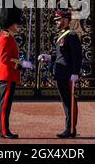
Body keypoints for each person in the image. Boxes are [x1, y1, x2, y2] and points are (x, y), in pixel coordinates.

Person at [38, 9, 83, 138]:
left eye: (58, 20)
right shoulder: (63, 35)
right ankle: (69, 128)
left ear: (65, 20)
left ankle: (70, 129)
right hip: (61, 75)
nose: (56, 23)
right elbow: (61, 56)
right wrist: (48, 57)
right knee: (65, 103)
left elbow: (77, 56)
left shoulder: (71, 35)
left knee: (70, 103)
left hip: (68, 75)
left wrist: (75, 73)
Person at [0, 7, 32, 139]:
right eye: (17, 23)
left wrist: (21, 63)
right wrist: (22, 64)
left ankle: (4, 130)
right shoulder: (6, 38)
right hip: (7, 75)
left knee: (6, 104)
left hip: (9, 75)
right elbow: (5, 59)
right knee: (5, 105)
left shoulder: (9, 37)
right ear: (11, 23)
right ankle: (4, 131)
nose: (18, 26)